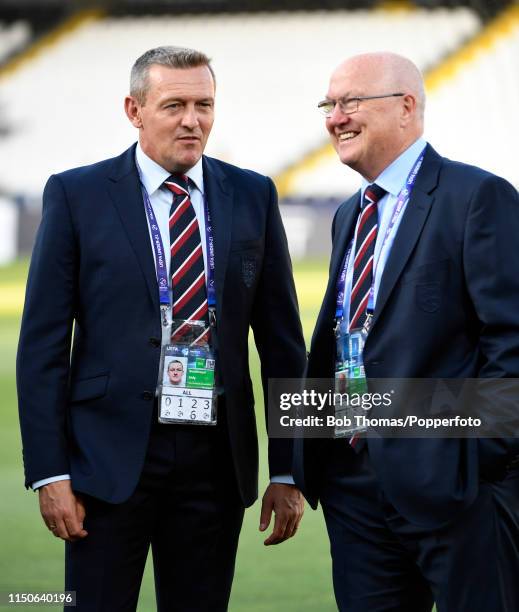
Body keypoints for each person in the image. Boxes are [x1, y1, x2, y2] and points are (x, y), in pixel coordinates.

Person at [17, 46, 306, 611]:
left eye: (204, 104)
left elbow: (283, 346)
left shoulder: (252, 194)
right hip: (107, 461)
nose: (192, 120)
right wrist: (49, 472)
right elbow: (43, 346)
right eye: (174, 105)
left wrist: (289, 468)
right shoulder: (77, 195)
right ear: (134, 109)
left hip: (216, 463)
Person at [293, 52, 519, 611]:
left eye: (350, 102)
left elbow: (510, 343)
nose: (335, 117)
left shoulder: (477, 198)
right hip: (353, 486)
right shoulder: (351, 213)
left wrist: (477, 460)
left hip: (452, 486)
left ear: (406, 106)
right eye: (329, 104)